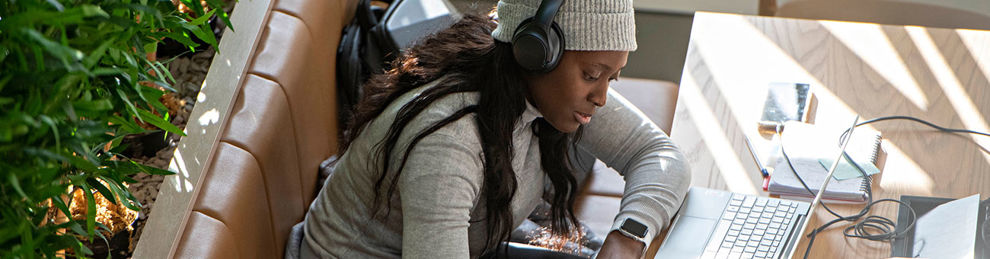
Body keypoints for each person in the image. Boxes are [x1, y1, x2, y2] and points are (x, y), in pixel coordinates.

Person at [292, 0, 690, 258]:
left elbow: (659, 155)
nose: (601, 97)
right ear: (535, 53)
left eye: (612, 78)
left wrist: (627, 237)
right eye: (591, 75)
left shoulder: (543, 92)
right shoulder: (447, 143)